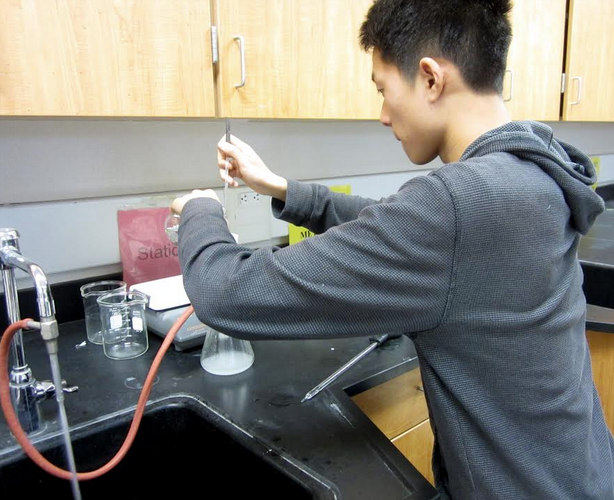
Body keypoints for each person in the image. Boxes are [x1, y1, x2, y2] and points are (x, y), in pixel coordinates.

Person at [171, 0, 614, 498]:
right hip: (584, 473)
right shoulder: (531, 172)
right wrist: (278, 187)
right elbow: (398, 226)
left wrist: (200, 211)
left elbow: (225, 293)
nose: (383, 115)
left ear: (429, 78)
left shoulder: (456, 205)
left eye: (383, 90)